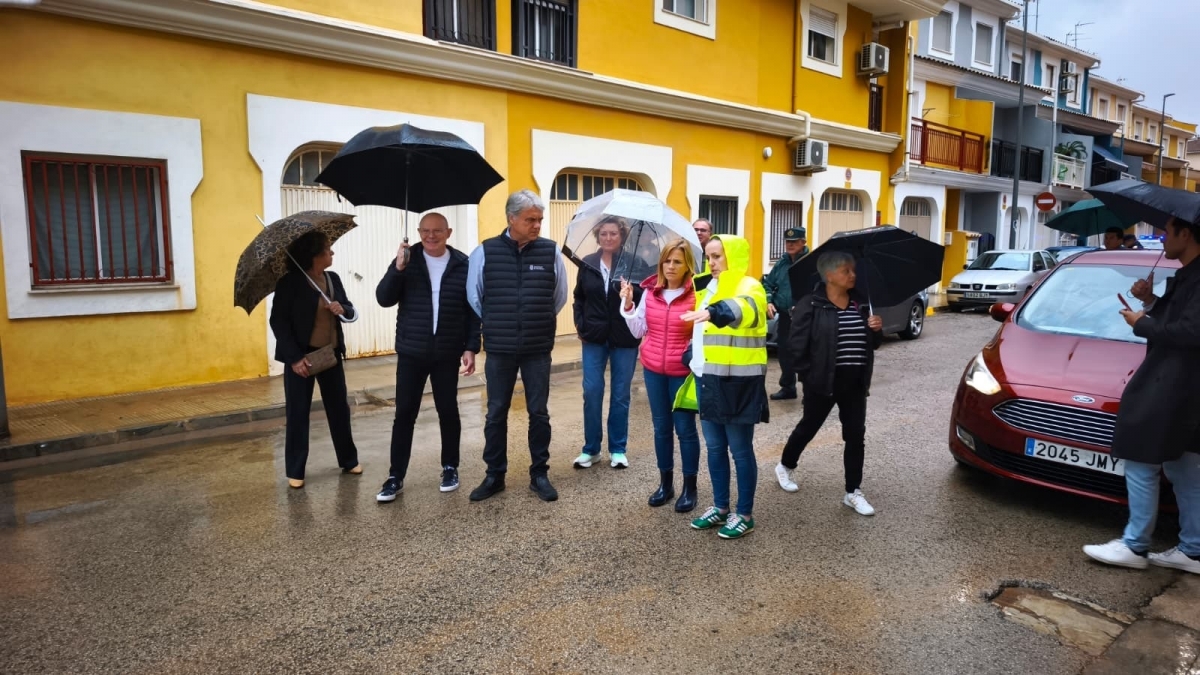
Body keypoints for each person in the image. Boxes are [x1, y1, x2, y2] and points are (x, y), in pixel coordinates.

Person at [1083, 216, 1200, 574]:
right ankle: (1194, 551)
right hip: (1185, 385)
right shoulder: (1188, 274)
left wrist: (1141, 323)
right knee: (1184, 466)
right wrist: (1150, 301)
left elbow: (1190, 332)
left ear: (1186, 234)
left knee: (1141, 457)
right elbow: (1179, 320)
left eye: (1167, 233)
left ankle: (1135, 545)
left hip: (1175, 382)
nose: (1162, 239)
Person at [466, 189, 569, 503]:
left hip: (537, 347)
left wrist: (535, 319)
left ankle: (539, 474)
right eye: (530, 220)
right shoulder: (485, 252)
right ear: (512, 219)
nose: (537, 225)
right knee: (496, 412)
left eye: (539, 220)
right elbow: (475, 297)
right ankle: (494, 475)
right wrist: (498, 321)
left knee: (539, 412)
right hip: (500, 347)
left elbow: (559, 297)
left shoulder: (550, 251)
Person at [374, 213, 481, 503]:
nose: (431, 236)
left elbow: (472, 310)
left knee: (448, 411)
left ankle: (450, 468)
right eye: (425, 231)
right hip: (412, 352)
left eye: (437, 231)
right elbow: (384, 298)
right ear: (418, 232)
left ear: (449, 232)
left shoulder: (462, 264)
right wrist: (397, 268)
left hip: (447, 351)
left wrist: (471, 347)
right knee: (404, 414)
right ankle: (395, 476)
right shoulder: (407, 260)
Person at [774, 251, 884, 516]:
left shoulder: (860, 302)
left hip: (855, 382)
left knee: (855, 435)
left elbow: (873, 344)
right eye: (847, 271)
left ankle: (852, 491)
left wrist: (876, 329)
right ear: (829, 275)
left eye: (853, 270)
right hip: (822, 381)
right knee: (809, 427)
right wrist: (809, 377)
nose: (853, 275)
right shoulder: (810, 304)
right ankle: (785, 465)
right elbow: (796, 346)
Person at [679, 235, 769, 540]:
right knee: (715, 447)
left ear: (734, 255)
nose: (712, 263)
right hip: (708, 378)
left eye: (717, 256)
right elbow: (701, 330)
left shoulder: (750, 286)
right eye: (708, 257)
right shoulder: (707, 288)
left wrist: (714, 312)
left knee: (740, 450)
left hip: (738, 382)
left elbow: (747, 309)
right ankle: (720, 507)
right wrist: (691, 355)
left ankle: (744, 514)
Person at [269, 231, 361, 489]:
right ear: (314, 255)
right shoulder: (290, 283)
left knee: (339, 409)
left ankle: (349, 460)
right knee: (298, 413)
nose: (332, 252)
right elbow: (278, 322)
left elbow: (350, 311)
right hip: (302, 359)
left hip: (330, 355)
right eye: (328, 249)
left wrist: (342, 309)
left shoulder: (333, 279)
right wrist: (294, 358)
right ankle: (296, 470)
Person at [619, 240, 701, 511]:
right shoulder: (650, 292)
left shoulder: (696, 295)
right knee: (661, 429)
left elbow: (702, 335)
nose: (671, 266)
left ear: (687, 265)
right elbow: (638, 330)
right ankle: (666, 484)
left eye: (677, 261)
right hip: (654, 371)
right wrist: (628, 306)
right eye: (667, 260)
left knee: (685, 430)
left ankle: (690, 488)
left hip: (682, 373)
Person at [573, 217, 643, 470]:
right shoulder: (588, 263)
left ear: (621, 236)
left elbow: (644, 299)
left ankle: (618, 449)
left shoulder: (635, 263)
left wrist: (630, 297)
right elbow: (579, 297)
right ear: (597, 235)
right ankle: (591, 449)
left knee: (621, 394)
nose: (608, 238)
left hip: (624, 337)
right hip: (593, 336)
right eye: (604, 233)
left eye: (614, 233)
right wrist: (580, 324)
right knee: (592, 391)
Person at [762, 226, 809, 401]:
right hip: (784, 316)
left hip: (805, 318)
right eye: (788, 241)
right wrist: (768, 300)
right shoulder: (781, 263)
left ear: (803, 242)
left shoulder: (811, 262)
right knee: (784, 352)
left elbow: (818, 289)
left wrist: (803, 306)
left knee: (805, 353)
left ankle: (809, 391)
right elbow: (768, 284)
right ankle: (788, 388)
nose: (790, 245)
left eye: (794, 242)